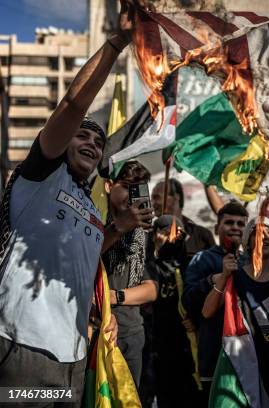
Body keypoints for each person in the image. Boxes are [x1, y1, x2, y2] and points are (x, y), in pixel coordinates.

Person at [0, 2, 136, 402]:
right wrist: (115, 43)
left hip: (74, 353)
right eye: (83, 137)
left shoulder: (93, 205)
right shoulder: (41, 174)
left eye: (98, 142)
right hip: (21, 344)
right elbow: (73, 106)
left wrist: (118, 229)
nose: (92, 144)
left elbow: (87, 257)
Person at [205, 178, 269, 407]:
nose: (264, 238)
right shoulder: (234, 274)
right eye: (257, 233)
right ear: (248, 240)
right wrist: (223, 277)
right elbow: (207, 311)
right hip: (241, 361)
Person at [182, 201, 249, 405]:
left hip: (247, 356)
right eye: (229, 222)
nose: (235, 227)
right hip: (213, 354)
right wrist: (214, 278)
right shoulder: (203, 259)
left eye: (240, 223)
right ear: (217, 227)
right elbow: (187, 299)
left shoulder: (252, 261)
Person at [102, 160, 157, 386]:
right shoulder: (92, 223)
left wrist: (116, 295)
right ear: (108, 186)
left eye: (139, 188)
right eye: (126, 186)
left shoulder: (144, 232)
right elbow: (82, 261)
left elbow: (152, 289)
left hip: (131, 333)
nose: (131, 195)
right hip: (97, 331)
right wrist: (117, 229)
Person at [148, 215, 203, 407]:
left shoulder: (191, 265)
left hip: (186, 345)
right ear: (154, 235)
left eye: (178, 235)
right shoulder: (149, 267)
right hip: (157, 346)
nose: (172, 239)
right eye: (166, 233)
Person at [151, 178, 216, 258]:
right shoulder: (148, 237)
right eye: (152, 198)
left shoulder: (202, 235)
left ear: (176, 197)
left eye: (156, 197)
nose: (153, 203)